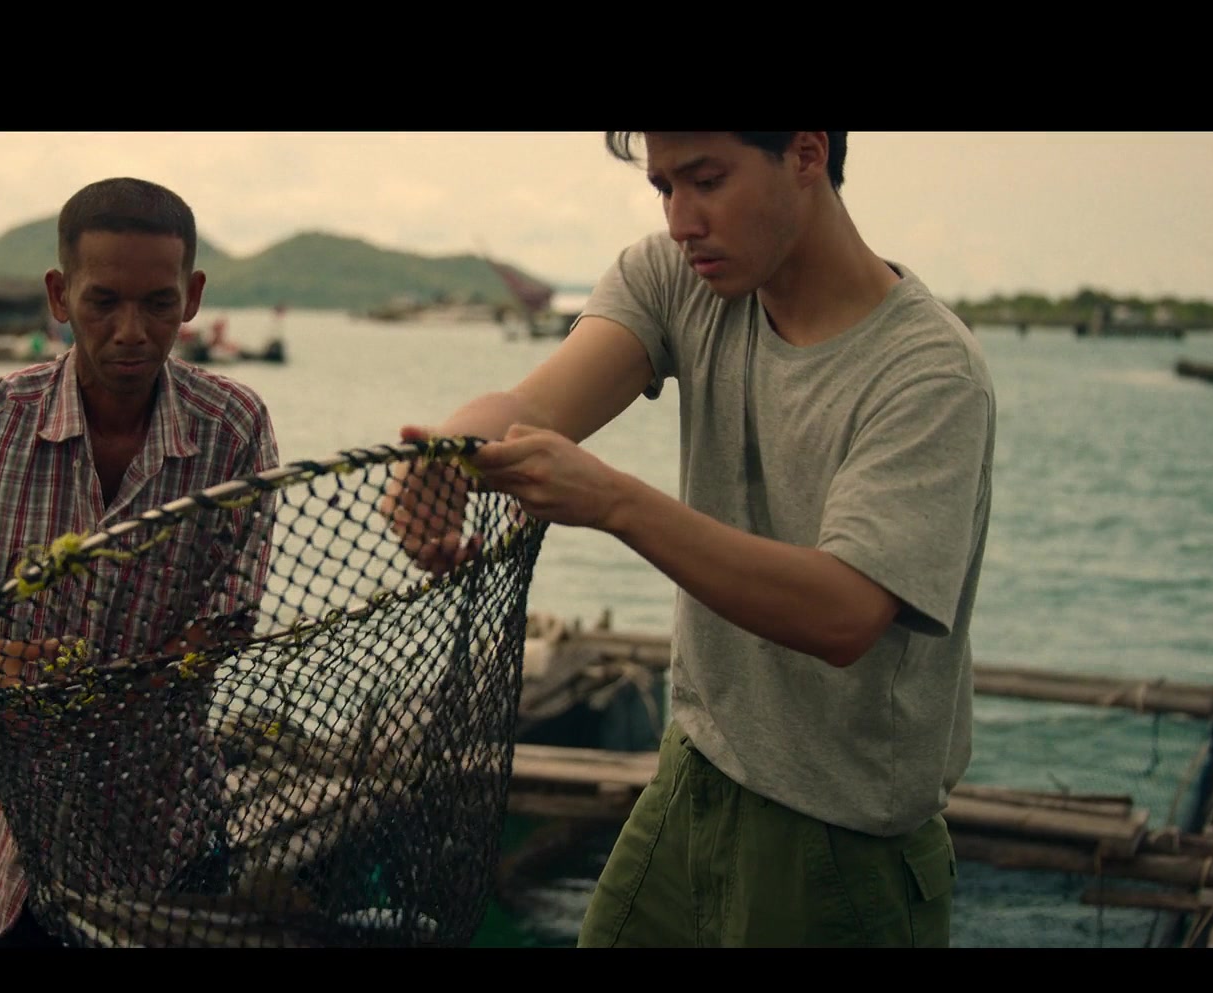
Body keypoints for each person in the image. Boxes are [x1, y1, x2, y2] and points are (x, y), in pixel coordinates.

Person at [391, 132, 996, 947]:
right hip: (693, 775)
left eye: (707, 181)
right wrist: (445, 453)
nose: (681, 221)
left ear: (806, 154)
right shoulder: (680, 276)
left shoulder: (928, 371)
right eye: (665, 188)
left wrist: (613, 501)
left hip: (843, 839)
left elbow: (842, 613)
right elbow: (535, 407)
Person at [0, 177, 280, 948]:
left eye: (158, 303)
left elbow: (229, 617)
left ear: (192, 298)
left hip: (166, 812)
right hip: (10, 815)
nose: (131, 331)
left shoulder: (234, 426)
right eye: (103, 302)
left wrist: (116, 699)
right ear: (60, 296)